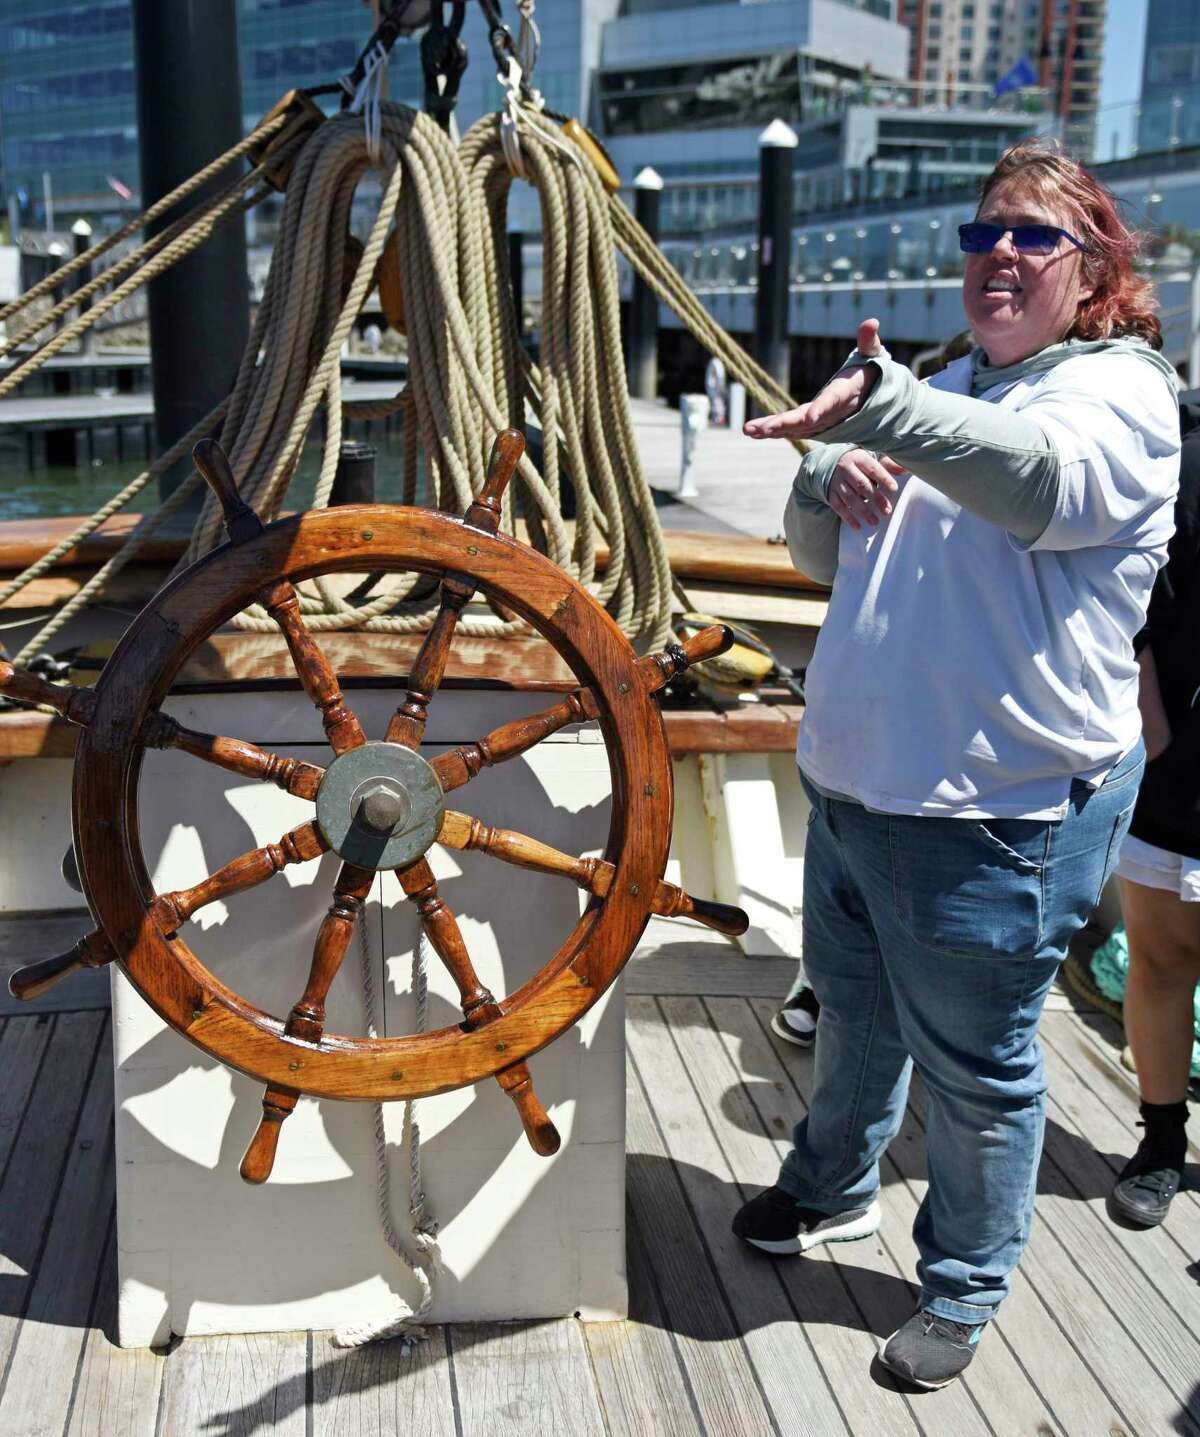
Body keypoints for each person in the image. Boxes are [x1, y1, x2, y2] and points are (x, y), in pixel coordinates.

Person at [734, 139, 1180, 1391]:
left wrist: (889, 416)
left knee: (979, 1076)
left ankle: (965, 1283)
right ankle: (828, 1184)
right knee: (855, 1020)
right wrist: (827, 474)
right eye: (984, 234)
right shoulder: (940, 384)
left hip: (995, 818)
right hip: (856, 790)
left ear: (1092, 270)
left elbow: (1037, 487)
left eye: (1034, 236)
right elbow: (824, 560)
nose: (999, 253)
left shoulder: (1118, 393)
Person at [1107, 403, 1200, 1228]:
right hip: (1179, 768)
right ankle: (1163, 1140)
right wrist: (1150, 717)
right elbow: (1124, 577)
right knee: (1163, 959)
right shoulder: (1177, 445)